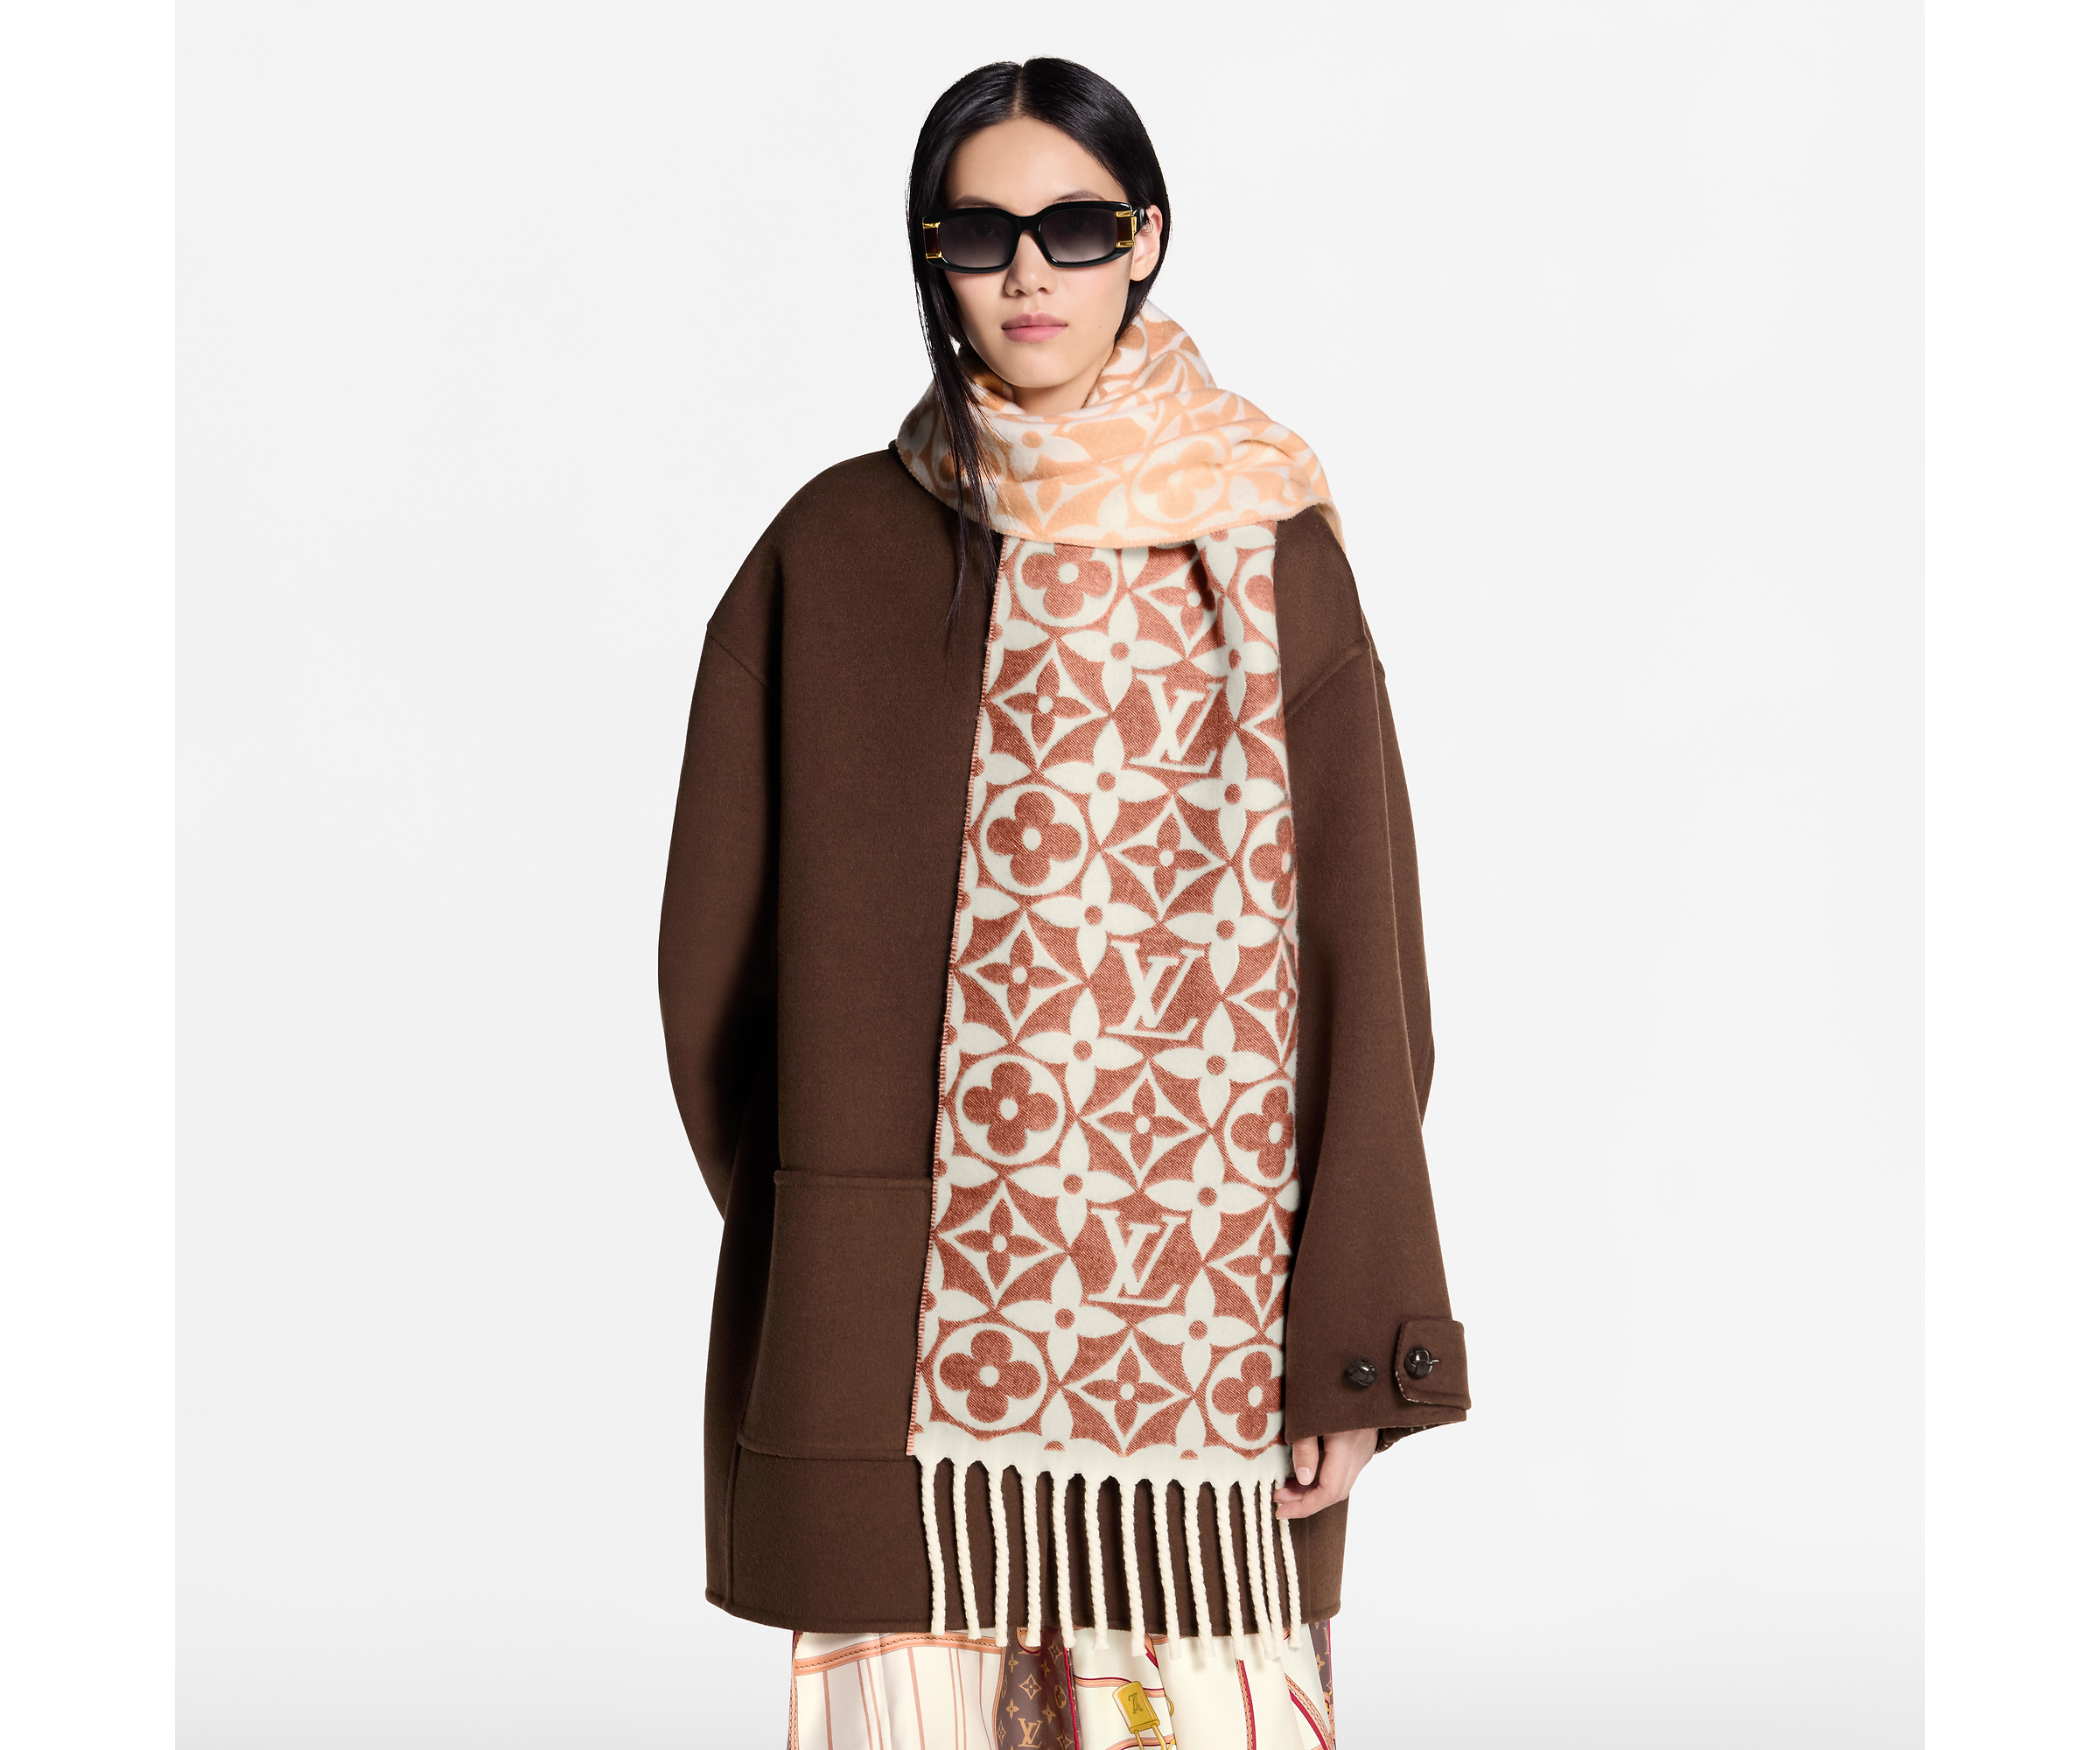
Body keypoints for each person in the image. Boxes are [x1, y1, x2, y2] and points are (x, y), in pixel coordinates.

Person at [659, 56, 1467, 1748]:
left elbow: (1369, 978)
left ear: (1144, 239)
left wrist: (1352, 1332)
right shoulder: (833, 551)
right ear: (931, 257)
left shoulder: (1276, 552)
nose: (1028, 272)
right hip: (900, 1375)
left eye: (1075, 227)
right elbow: (712, 986)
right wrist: (848, 1228)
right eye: (979, 233)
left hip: (1216, 1369)